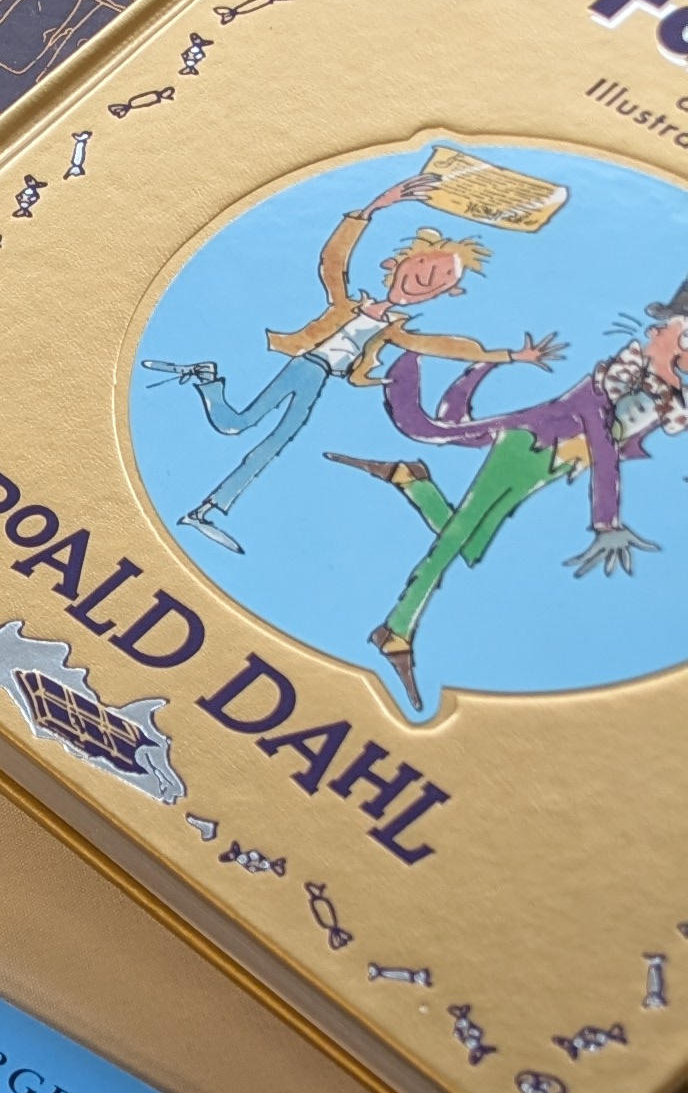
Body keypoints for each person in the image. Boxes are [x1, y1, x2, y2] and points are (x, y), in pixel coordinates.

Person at [331, 281, 688, 709]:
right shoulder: (616, 376)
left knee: (472, 546)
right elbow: (601, 439)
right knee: (458, 536)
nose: (658, 334)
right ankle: (397, 630)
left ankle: (413, 481)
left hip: (553, 465)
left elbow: (620, 442)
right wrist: (606, 521)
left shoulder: (670, 398)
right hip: (530, 443)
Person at [144, 179, 555, 549]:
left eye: (442, 280)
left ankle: (207, 499)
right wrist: (372, 208)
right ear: (397, 263)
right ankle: (207, 428)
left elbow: (443, 345)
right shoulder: (346, 303)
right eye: (427, 266)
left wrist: (509, 356)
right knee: (240, 427)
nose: (428, 279)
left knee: (270, 438)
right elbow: (333, 260)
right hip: (305, 365)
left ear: (446, 293)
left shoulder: (393, 330)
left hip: (319, 377)